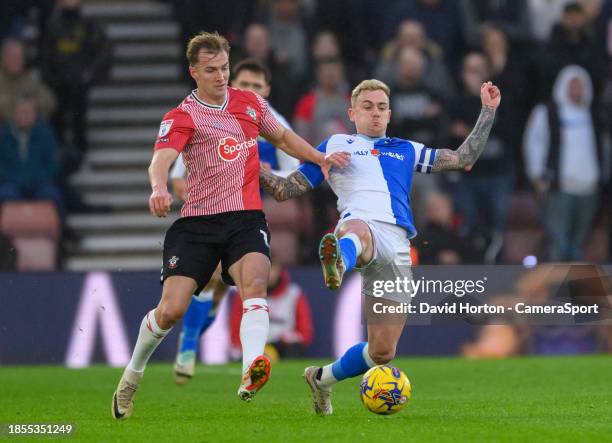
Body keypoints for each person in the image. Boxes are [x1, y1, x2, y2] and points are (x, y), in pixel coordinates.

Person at [110, 31, 348, 420]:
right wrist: (157, 188)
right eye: (211, 70)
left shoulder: (250, 103)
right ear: (193, 72)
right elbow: (161, 160)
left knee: (255, 282)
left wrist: (320, 158)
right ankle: (132, 374)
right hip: (197, 224)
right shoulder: (182, 116)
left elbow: (285, 138)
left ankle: (250, 369)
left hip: (245, 218)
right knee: (170, 311)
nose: (221, 77)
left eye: (224, 68)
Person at [259, 78, 500, 415]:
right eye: (368, 107)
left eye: (382, 108)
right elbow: (286, 190)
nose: (375, 113)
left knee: (382, 353)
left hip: (399, 245)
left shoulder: (405, 148)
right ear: (352, 112)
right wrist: (255, 167)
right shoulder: (333, 145)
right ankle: (339, 261)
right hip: (358, 225)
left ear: (389, 114)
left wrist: (488, 111)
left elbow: (463, 158)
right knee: (358, 230)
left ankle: (321, 379)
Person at [170, 58, 299, 384]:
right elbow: (177, 172)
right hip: (209, 209)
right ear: (230, 83)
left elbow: (294, 173)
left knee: (217, 291)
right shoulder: (209, 113)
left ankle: (195, 333)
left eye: (257, 86)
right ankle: (188, 344)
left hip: (250, 212)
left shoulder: (273, 123)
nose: (250, 91)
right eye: (244, 84)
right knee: (212, 276)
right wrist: (182, 185)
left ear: (266, 90)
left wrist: (263, 176)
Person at [523, 65, 604, 261]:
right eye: (573, 85)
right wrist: (536, 176)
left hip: (589, 191)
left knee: (578, 243)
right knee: (558, 242)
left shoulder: (593, 114)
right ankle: (554, 289)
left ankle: (573, 288)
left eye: (581, 86)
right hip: (559, 189)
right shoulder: (548, 111)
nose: (577, 90)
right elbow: (534, 143)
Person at [229, 255, 314, 359]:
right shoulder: (244, 295)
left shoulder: (294, 294)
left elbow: (305, 333)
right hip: (254, 346)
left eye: (271, 268)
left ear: (279, 269)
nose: (268, 273)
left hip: (283, 347)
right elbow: (235, 329)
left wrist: (290, 337)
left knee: (294, 350)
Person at [0, 96, 64, 219]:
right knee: (5, 196)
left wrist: (38, 179)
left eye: (28, 113)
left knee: (53, 196)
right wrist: (13, 179)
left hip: (40, 183)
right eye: (21, 112)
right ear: (14, 114)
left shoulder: (46, 134)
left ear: (35, 115)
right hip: (11, 183)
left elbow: (53, 164)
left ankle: (59, 230)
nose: (24, 116)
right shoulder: (3, 136)